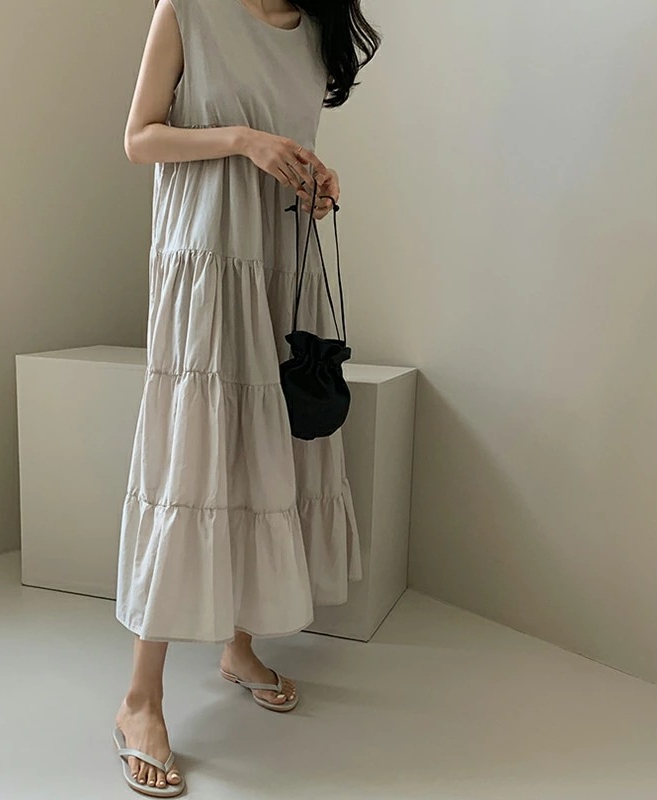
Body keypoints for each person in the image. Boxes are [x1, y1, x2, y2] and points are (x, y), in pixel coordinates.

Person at [112, 0, 381, 795]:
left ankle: (237, 647)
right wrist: (242, 139)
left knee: (264, 450)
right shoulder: (188, 9)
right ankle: (140, 699)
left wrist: (315, 184)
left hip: (279, 259)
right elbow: (139, 138)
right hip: (205, 260)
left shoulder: (315, 31)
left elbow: (289, 148)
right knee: (193, 458)